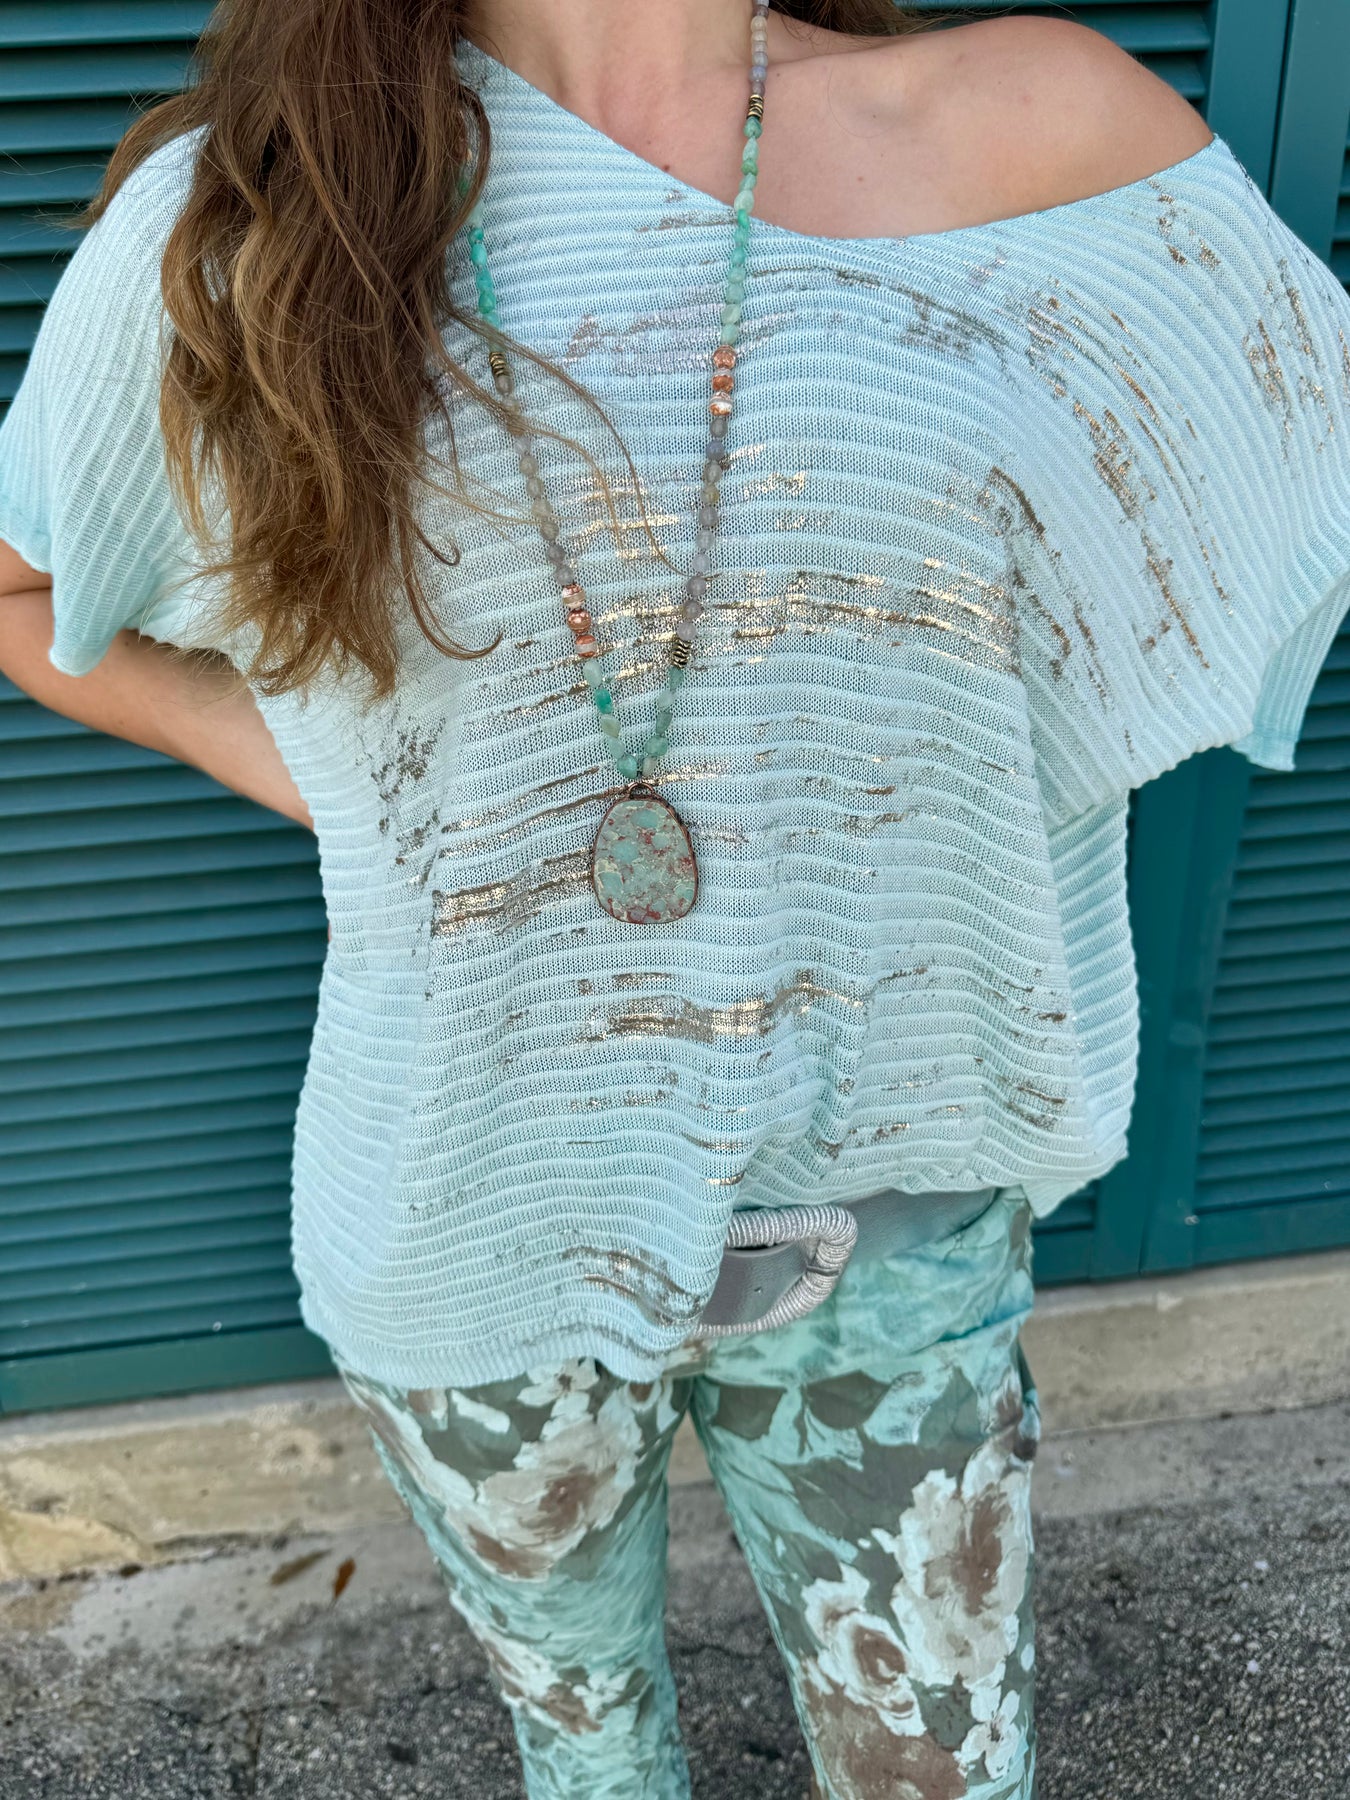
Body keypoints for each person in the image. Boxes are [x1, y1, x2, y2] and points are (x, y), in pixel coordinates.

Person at [2, 3, 1347, 1794]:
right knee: (590, 1764)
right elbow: (26, 591)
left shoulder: (1043, 130)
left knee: (943, 1768)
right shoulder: (251, 209)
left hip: (892, 1200)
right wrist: (349, 783)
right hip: (472, 1214)